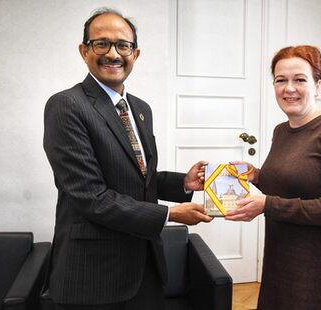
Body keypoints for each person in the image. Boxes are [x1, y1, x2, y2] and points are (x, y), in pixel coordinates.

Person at [43, 8, 212, 309]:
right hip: (94, 275)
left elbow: (138, 178)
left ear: (135, 54)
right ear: (84, 50)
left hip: (146, 265)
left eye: (123, 45)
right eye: (101, 43)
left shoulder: (139, 108)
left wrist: (183, 183)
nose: (113, 54)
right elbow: (92, 197)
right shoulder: (67, 106)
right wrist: (170, 215)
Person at [226, 45, 321, 309]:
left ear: (318, 84)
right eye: (281, 80)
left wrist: (267, 205)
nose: (289, 88)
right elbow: (290, 184)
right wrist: (256, 176)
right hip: (280, 259)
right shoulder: (281, 131)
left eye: (300, 79)